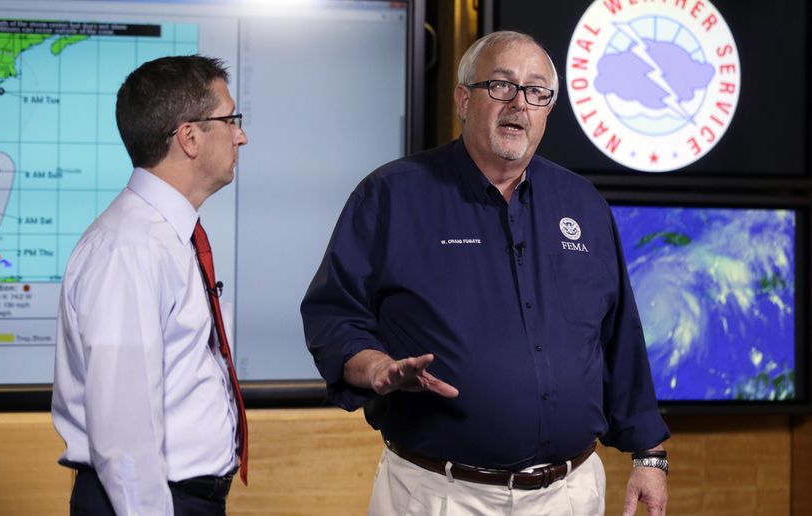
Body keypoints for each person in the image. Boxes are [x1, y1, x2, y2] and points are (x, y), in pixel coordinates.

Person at [301, 31, 670, 515]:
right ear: (462, 98)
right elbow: (333, 317)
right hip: (440, 494)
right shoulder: (391, 196)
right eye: (501, 85)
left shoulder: (583, 204)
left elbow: (619, 338)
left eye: (537, 92)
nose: (519, 103)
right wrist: (376, 369)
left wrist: (650, 454)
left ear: (547, 109)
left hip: (571, 494)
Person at [52, 55, 248, 515]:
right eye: (231, 119)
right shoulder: (131, 248)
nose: (241, 135)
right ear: (190, 136)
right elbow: (123, 434)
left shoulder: (164, 235)